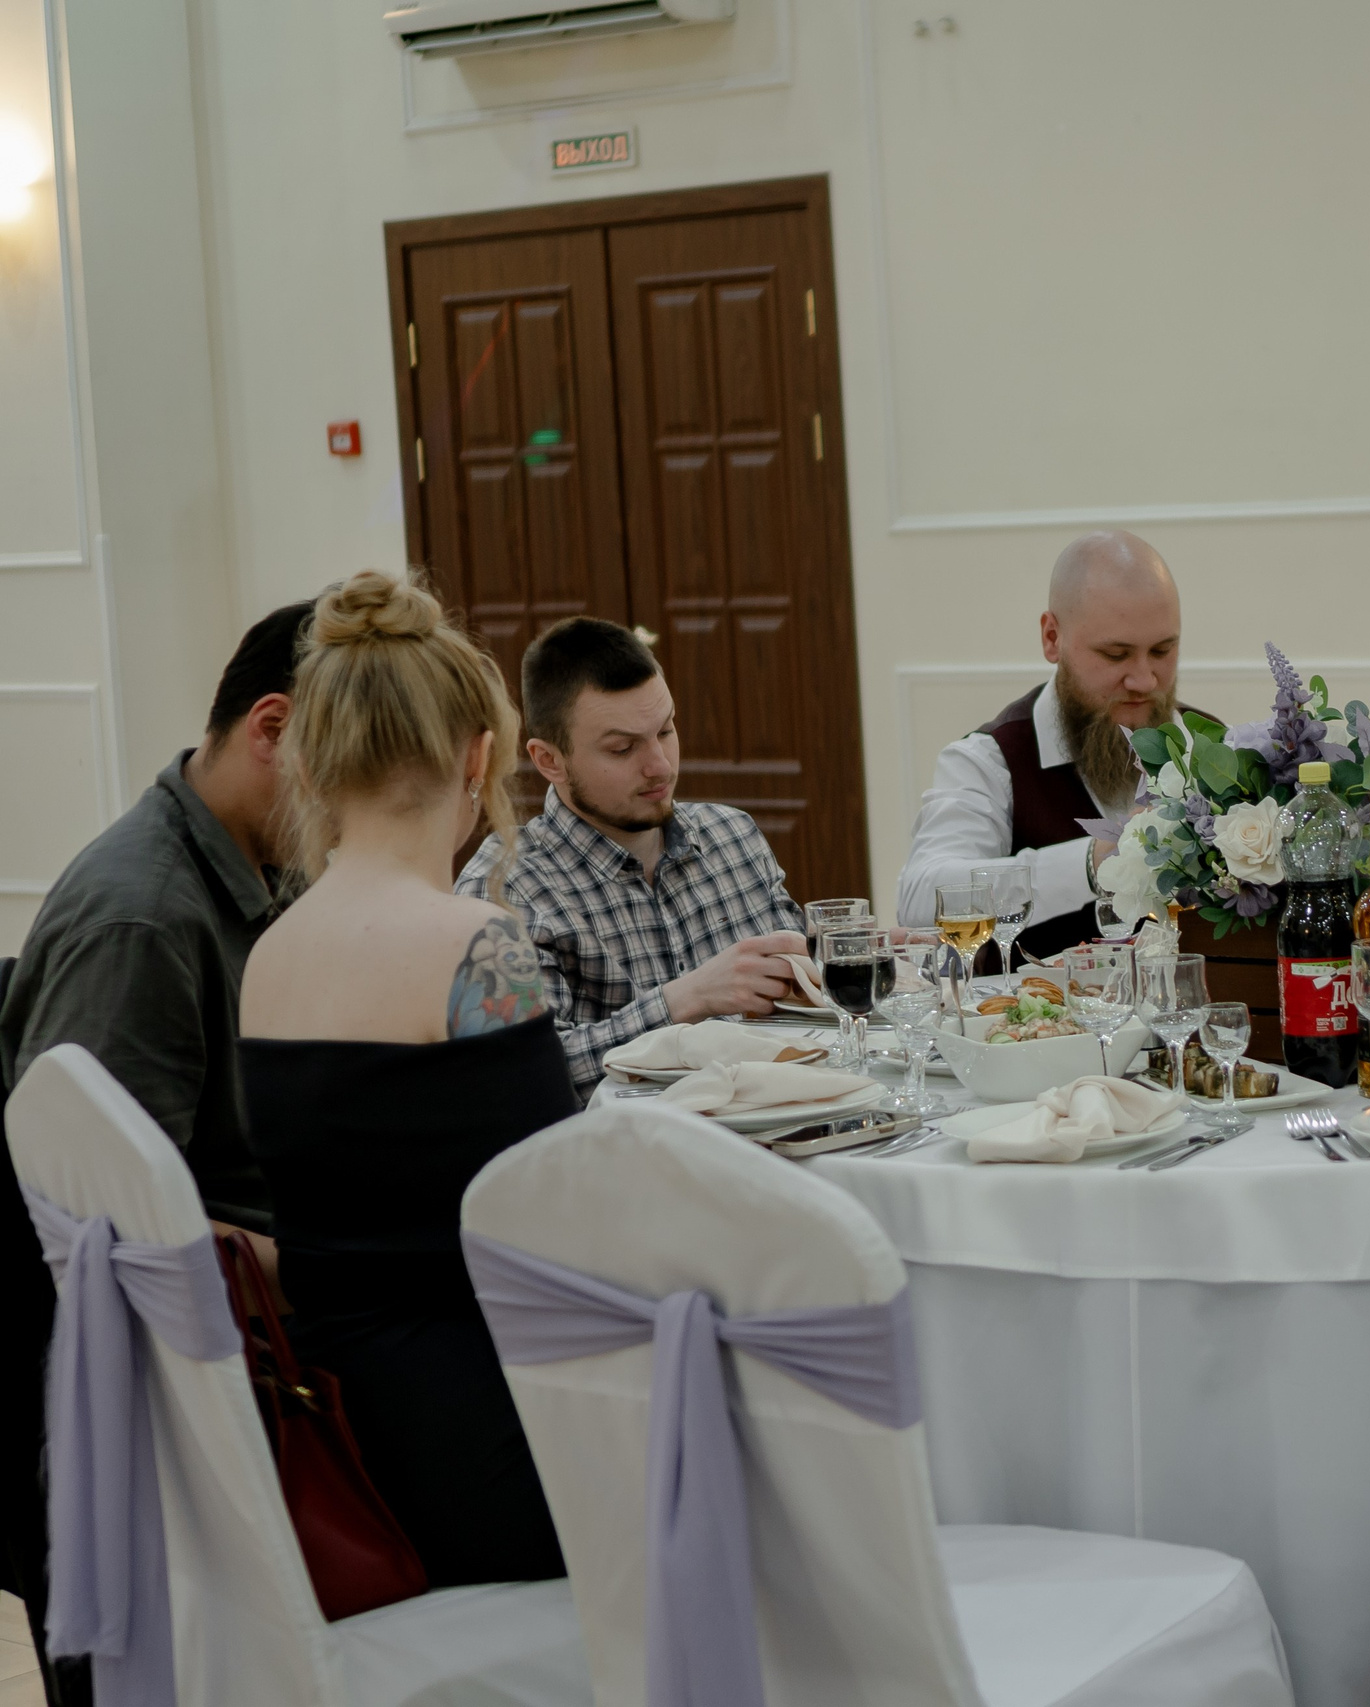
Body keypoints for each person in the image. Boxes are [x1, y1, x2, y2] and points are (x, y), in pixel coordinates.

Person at [0, 598, 311, 1707]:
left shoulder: (268, 869)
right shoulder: (143, 919)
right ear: (271, 728)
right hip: (164, 1403)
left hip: (251, 1353)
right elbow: (108, 1237)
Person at [239, 569, 566, 1587]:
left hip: (328, 1433)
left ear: (318, 760)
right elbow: (556, 1220)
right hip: (480, 1436)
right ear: (478, 758)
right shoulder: (478, 945)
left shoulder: (270, 955)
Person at [458, 616, 805, 1094]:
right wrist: (682, 1001)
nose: (660, 766)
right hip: (623, 1160)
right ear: (548, 761)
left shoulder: (733, 835)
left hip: (780, 1135)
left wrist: (862, 956)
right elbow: (518, 1080)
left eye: (665, 731)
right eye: (622, 748)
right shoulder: (509, 886)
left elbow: (806, 996)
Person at [898, 530, 1184, 957]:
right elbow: (921, 900)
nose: (1144, 680)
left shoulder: (1208, 746)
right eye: (1115, 655)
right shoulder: (990, 760)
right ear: (1052, 637)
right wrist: (1096, 860)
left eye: (1162, 651)